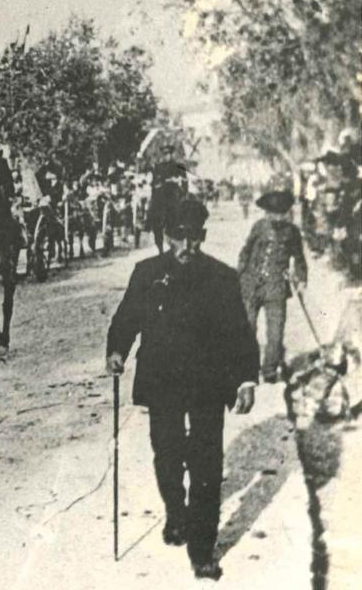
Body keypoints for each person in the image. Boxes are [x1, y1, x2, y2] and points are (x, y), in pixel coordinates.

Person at [106, 198, 258, 581]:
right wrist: (117, 351)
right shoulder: (147, 273)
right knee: (168, 452)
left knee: (207, 463)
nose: (187, 247)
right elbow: (127, 317)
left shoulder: (222, 277)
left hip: (209, 382)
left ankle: (203, 550)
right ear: (166, 236)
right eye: (179, 238)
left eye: (195, 238)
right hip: (162, 381)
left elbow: (240, 333)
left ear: (203, 236)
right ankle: (176, 510)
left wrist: (245, 379)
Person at [238, 187, 308, 382]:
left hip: (276, 287)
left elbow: (299, 258)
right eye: (272, 213)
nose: (277, 217)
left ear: (286, 213)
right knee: (248, 329)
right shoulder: (259, 227)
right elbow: (246, 251)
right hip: (251, 285)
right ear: (267, 212)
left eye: (280, 213)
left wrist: (302, 279)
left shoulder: (293, 233)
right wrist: (241, 274)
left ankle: (269, 370)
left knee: (275, 332)